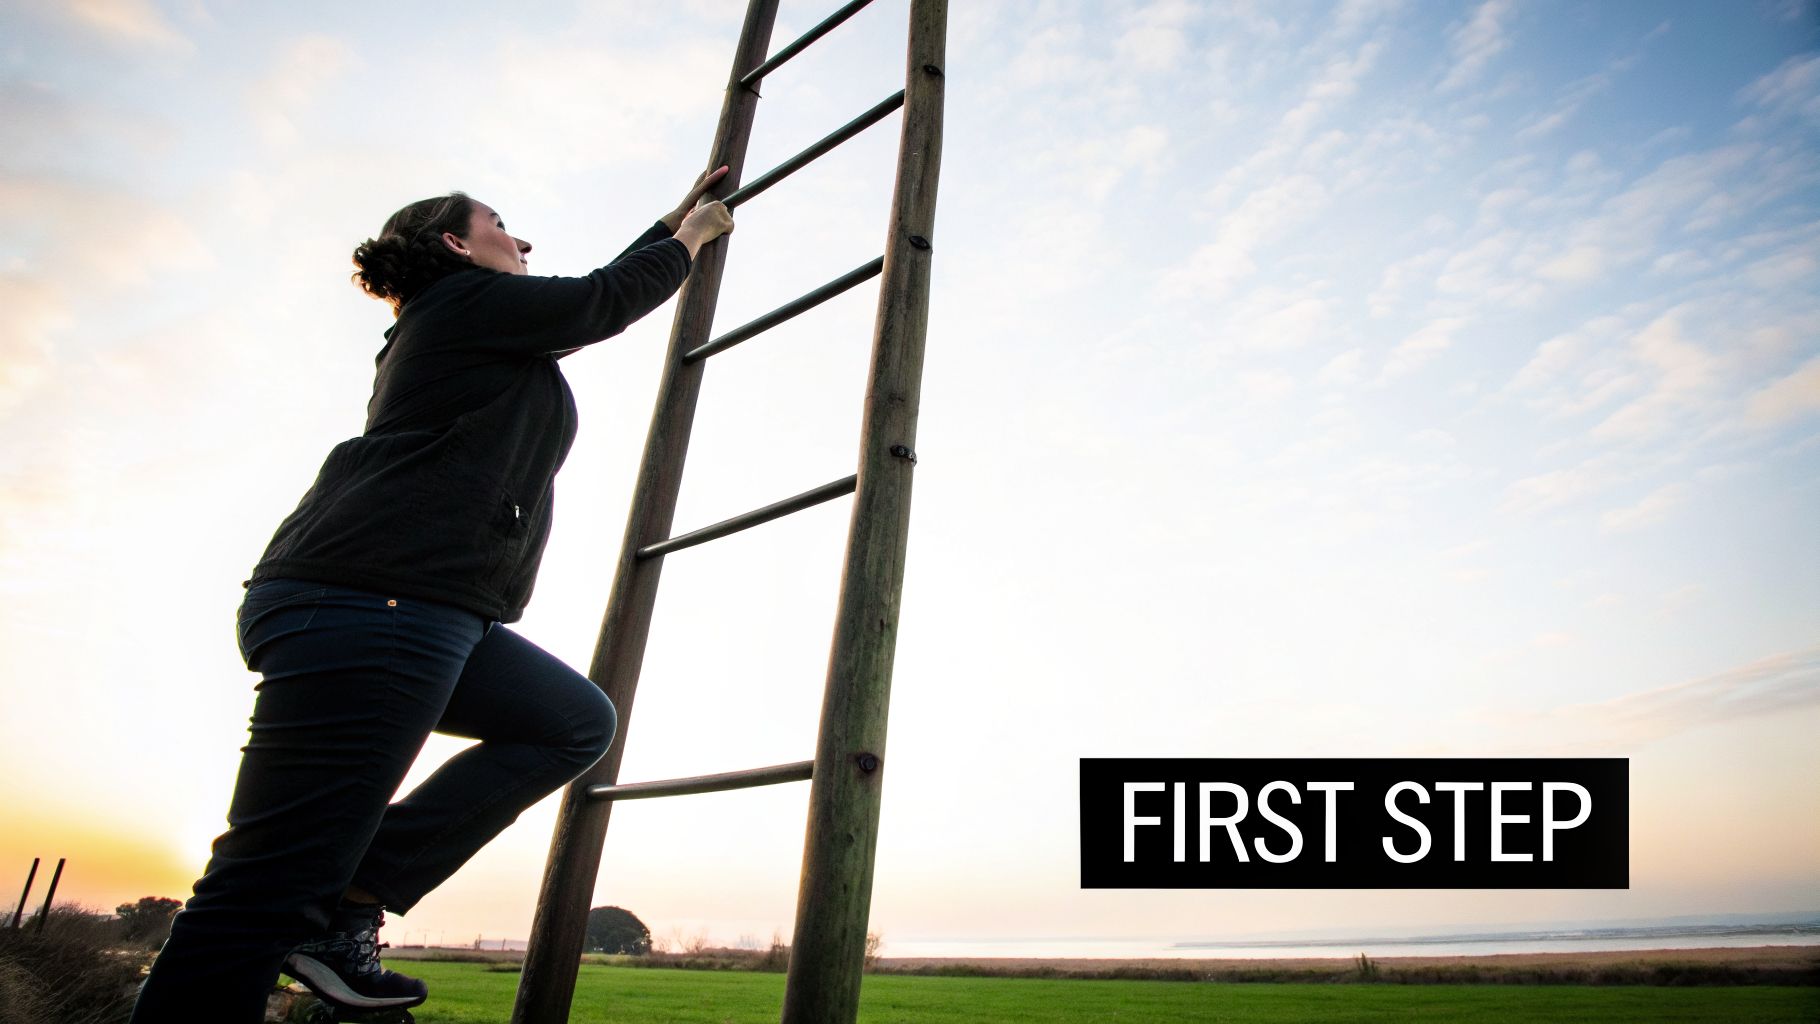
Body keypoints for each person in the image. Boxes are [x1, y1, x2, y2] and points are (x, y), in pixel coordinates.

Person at [129, 168, 735, 1023]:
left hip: (422, 610)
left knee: (571, 721)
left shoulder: (472, 326)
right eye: (498, 223)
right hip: (372, 603)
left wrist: (667, 225)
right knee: (266, 883)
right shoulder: (458, 307)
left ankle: (349, 896)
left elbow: (582, 307)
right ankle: (314, 905)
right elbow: (600, 303)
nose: (520, 241)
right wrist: (688, 241)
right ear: (454, 245)